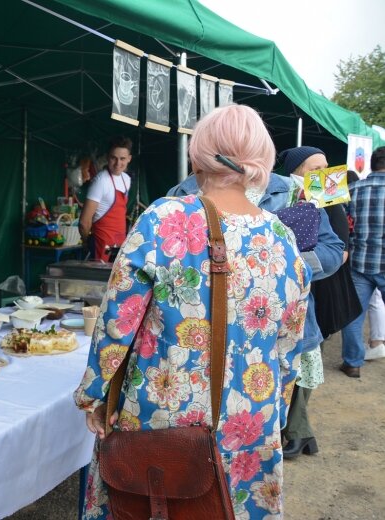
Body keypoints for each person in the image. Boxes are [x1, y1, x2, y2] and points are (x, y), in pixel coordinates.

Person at [75, 104, 310, 519]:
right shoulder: (283, 238)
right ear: (261, 157)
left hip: (163, 414)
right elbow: (288, 345)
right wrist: (271, 404)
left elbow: (117, 321)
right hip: (249, 421)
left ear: (198, 154)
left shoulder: (165, 218)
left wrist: (95, 393)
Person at [275, 146, 349, 459]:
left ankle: (299, 433)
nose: (323, 172)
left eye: (325, 165)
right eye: (313, 167)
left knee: (307, 354)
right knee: (300, 358)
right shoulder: (282, 194)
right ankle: (299, 433)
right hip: (303, 286)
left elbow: (340, 242)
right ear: (295, 171)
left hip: (324, 283)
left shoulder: (322, 192)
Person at [340, 146, 385, 377]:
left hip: (360, 262)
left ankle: (353, 363)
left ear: (371, 164)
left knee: (354, 314)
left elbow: (340, 224)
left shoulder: (352, 189)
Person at [78, 136, 133, 260]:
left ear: (129, 159)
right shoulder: (100, 181)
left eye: (122, 158)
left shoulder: (126, 180)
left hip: (120, 244)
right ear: (108, 157)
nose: (118, 163)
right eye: (114, 158)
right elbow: (84, 222)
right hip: (102, 246)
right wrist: (87, 242)